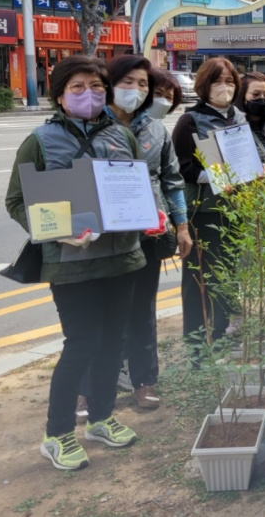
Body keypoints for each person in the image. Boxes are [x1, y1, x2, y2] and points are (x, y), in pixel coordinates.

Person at [6, 56, 144, 470]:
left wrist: (146, 213)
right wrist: (55, 228)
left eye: (97, 87)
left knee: (113, 342)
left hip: (122, 259)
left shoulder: (122, 135)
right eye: (78, 87)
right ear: (61, 95)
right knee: (81, 343)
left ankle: (101, 418)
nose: (90, 95)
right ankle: (58, 433)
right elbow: (16, 200)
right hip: (70, 263)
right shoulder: (40, 140)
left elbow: (137, 183)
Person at [98, 55, 191, 412]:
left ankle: (144, 381)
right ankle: (88, 387)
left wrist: (181, 226)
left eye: (142, 85)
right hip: (102, 239)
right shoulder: (90, 124)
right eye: (128, 83)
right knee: (98, 314)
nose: (135, 90)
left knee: (142, 312)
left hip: (149, 237)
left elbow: (172, 181)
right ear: (109, 83)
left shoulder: (154, 129)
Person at [171, 58, 247, 355]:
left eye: (230, 81)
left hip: (234, 209)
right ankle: (196, 342)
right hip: (203, 211)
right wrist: (216, 177)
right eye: (217, 81)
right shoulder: (190, 120)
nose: (225, 88)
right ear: (204, 85)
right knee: (199, 278)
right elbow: (180, 168)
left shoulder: (238, 116)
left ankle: (221, 332)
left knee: (227, 274)